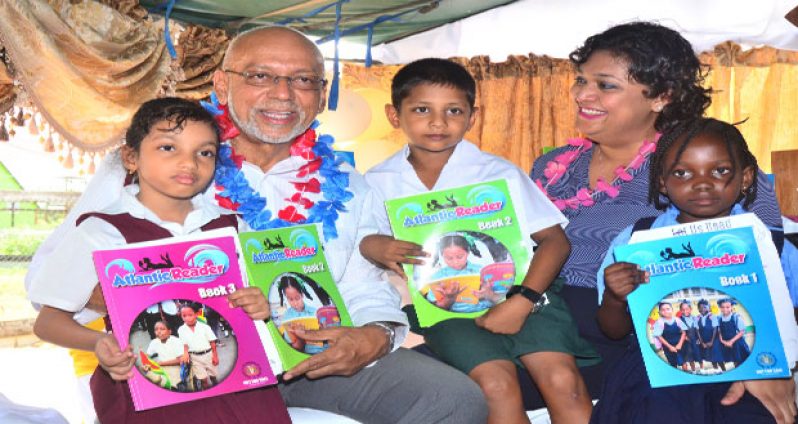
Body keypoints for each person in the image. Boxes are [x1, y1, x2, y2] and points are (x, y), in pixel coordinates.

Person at [28, 26, 487, 423]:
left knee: (453, 401)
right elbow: (46, 279)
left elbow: (365, 286)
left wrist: (374, 336)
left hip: (311, 357)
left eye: (303, 80)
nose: (283, 94)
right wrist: (150, 293)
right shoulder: (155, 162)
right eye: (261, 76)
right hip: (198, 357)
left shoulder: (349, 183)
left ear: (322, 93)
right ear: (222, 84)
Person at [527, 21, 785, 408]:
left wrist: (761, 364)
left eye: (605, 85)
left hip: (630, 334)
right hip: (537, 319)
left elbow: (762, 266)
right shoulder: (551, 166)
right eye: (581, 81)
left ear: (661, 96)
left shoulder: (699, 163)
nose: (583, 94)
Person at [362, 57, 599, 424]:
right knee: (495, 386)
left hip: (527, 293)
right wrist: (377, 246)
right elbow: (361, 241)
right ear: (395, 115)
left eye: (453, 110)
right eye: (422, 109)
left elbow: (555, 242)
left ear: (472, 117)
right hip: (445, 306)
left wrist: (523, 301)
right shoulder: (377, 181)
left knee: (562, 379)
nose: (438, 122)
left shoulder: (497, 172)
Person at [28, 97, 291, 423]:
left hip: (238, 388)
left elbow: (261, 304)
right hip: (149, 393)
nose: (189, 163)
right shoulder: (102, 231)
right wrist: (100, 342)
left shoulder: (231, 226)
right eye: (169, 148)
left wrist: (259, 305)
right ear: (131, 157)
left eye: (204, 152)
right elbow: (48, 321)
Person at [593, 117, 798, 423]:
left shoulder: (773, 244)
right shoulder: (637, 241)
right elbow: (613, 331)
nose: (702, 182)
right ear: (662, 182)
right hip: (657, 373)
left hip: (748, 369)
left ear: (746, 178)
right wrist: (615, 297)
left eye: (720, 171)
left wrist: (772, 363)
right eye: (682, 172)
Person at [276, 275, 323, 354]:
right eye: (290, 299)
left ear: (302, 294)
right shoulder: (287, 317)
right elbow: (295, 346)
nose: (295, 303)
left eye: (297, 298)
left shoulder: (315, 312)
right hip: (303, 353)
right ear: (286, 298)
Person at [177, 305, 219, 390]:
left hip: (208, 355)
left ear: (196, 314)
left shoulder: (204, 327)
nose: (187, 318)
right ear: (180, 316)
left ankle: (218, 389)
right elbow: (184, 344)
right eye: (184, 316)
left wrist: (215, 356)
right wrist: (185, 354)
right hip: (195, 358)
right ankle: (207, 395)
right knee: (203, 380)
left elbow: (212, 342)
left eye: (190, 315)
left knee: (213, 377)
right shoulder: (181, 329)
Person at [142, 321, 184, 389]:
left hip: (176, 366)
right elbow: (147, 355)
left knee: (172, 386)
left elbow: (180, 360)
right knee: (152, 380)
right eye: (156, 329)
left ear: (169, 331)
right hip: (161, 366)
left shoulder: (176, 341)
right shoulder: (154, 342)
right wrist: (145, 364)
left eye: (162, 329)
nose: (159, 332)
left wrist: (161, 363)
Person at [651, 302, 687, 369]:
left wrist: (680, 344)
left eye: (668, 309)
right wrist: (670, 347)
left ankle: (687, 376)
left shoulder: (677, 320)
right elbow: (659, 337)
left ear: (672, 310)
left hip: (679, 345)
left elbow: (684, 332)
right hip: (667, 347)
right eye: (663, 310)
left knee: (683, 362)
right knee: (673, 364)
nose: (666, 311)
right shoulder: (659, 322)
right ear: (660, 312)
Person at [717, 298, 751, 368]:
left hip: (737, 343)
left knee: (741, 361)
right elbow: (719, 330)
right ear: (720, 307)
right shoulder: (719, 318)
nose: (725, 309)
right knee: (734, 361)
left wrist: (731, 341)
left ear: (732, 307)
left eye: (727, 307)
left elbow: (742, 331)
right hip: (726, 344)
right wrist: (722, 341)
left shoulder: (736, 317)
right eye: (722, 307)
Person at [696, 298, 726, 372]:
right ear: (698, 309)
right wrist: (702, 343)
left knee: (718, 357)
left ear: (709, 308)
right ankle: (716, 370)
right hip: (704, 341)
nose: (703, 309)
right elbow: (697, 331)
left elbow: (715, 329)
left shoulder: (712, 316)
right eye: (700, 307)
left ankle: (724, 370)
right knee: (711, 358)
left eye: (705, 307)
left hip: (714, 340)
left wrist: (712, 342)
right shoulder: (697, 318)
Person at [678, 300, 700, 372]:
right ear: (680, 310)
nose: (685, 311)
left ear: (690, 309)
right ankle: (686, 372)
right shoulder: (679, 320)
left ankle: (694, 371)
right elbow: (679, 330)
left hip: (694, 340)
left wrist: (698, 339)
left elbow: (697, 330)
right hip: (685, 342)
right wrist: (685, 337)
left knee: (694, 358)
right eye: (683, 309)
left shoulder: (694, 318)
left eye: (687, 309)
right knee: (687, 358)